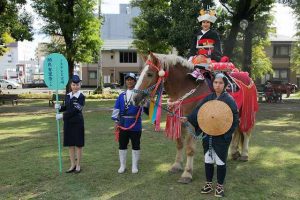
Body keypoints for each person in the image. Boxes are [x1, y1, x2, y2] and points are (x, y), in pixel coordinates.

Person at [181, 73, 239, 197]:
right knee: (208, 159)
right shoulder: (209, 97)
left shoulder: (229, 100)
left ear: (225, 85)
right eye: (215, 83)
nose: (217, 85)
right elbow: (198, 111)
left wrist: (226, 135)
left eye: (220, 83)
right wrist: (188, 118)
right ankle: (208, 184)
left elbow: (235, 119)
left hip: (222, 137)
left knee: (220, 162)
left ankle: (219, 186)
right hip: (208, 135)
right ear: (213, 84)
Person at [111, 73, 146, 174]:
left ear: (135, 81)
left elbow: (144, 108)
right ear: (125, 81)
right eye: (127, 80)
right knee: (122, 145)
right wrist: (116, 121)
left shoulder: (139, 94)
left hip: (135, 124)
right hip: (123, 123)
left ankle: (134, 166)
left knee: (136, 144)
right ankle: (122, 165)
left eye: (131, 80)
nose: (129, 81)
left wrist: (145, 100)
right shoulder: (121, 95)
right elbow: (116, 108)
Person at [55, 75, 85, 174]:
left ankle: (78, 165)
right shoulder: (68, 95)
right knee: (70, 144)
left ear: (80, 85)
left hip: (77, 123)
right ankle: (72, 164)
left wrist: (62, 116)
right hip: (68, 123)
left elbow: (75, 110)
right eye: (73, 85)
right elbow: (67, 107)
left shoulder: (81, 97)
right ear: (71, 85)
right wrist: (59, 107)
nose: (75, 87)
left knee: (78, 145)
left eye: (77, 85)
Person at [188, 9, 223, 81]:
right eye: (203, 22)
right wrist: (191, 55)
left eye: (208, 22)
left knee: (204, 60)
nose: (205, 24)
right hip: (198, 55)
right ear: (201, 23)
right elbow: (193, 47)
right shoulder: (197, 34)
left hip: (210, 55)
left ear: (210, 24)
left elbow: (217, 45)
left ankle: (201, 73)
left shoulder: (214, 34)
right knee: (193, 60)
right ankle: (197, 72)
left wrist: (214, 54)